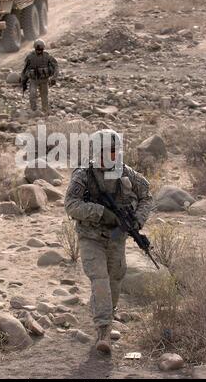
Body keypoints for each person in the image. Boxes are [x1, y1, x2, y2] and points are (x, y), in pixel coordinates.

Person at [64, 129, 153, 354]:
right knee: (100, 279)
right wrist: (101, 213)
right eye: (110, 151)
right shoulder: (84, 175)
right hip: (90, 237)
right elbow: (71, 205)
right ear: (98, 151)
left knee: (115, 278)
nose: (114, 155)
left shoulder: (126, 172)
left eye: (117, 150)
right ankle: (103, 330)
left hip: (116, 238)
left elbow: (147, 196)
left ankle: (108, 314)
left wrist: (136, 222)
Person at [21, 39, 59, 114]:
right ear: (35, 48)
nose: (39, 51)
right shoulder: (30, 57)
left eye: (40, 49)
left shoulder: (47, 56)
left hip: (44, 80)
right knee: (32, 94)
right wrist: (24, 81)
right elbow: (25, 69)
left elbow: (56, 67)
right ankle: (33, 110)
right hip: (33, 80)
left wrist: (54, 78)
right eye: (37, 49)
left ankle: (45, 111)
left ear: (43, 49)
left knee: (44, 96)